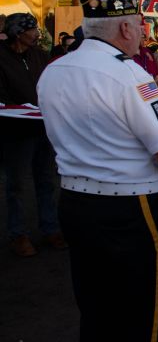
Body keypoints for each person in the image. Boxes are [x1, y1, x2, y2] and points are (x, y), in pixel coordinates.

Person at [37, 0, 158, 342]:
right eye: (141, 24)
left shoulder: (52, 71)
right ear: (124, 28)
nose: (145, 32)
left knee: (96, 308)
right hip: (131, 210)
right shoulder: (131, 76)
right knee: (144, 313)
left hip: (75, 203)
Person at [0, 13, 66, 257]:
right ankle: (18, 234)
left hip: (42, 128)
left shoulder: (39, 55)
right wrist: (22, 110)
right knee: (16, 184)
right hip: (15, 132)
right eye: (33, 29)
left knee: (46, 180)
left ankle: (50, 228)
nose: (38, 33)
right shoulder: (1, 57)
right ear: (18, 32)